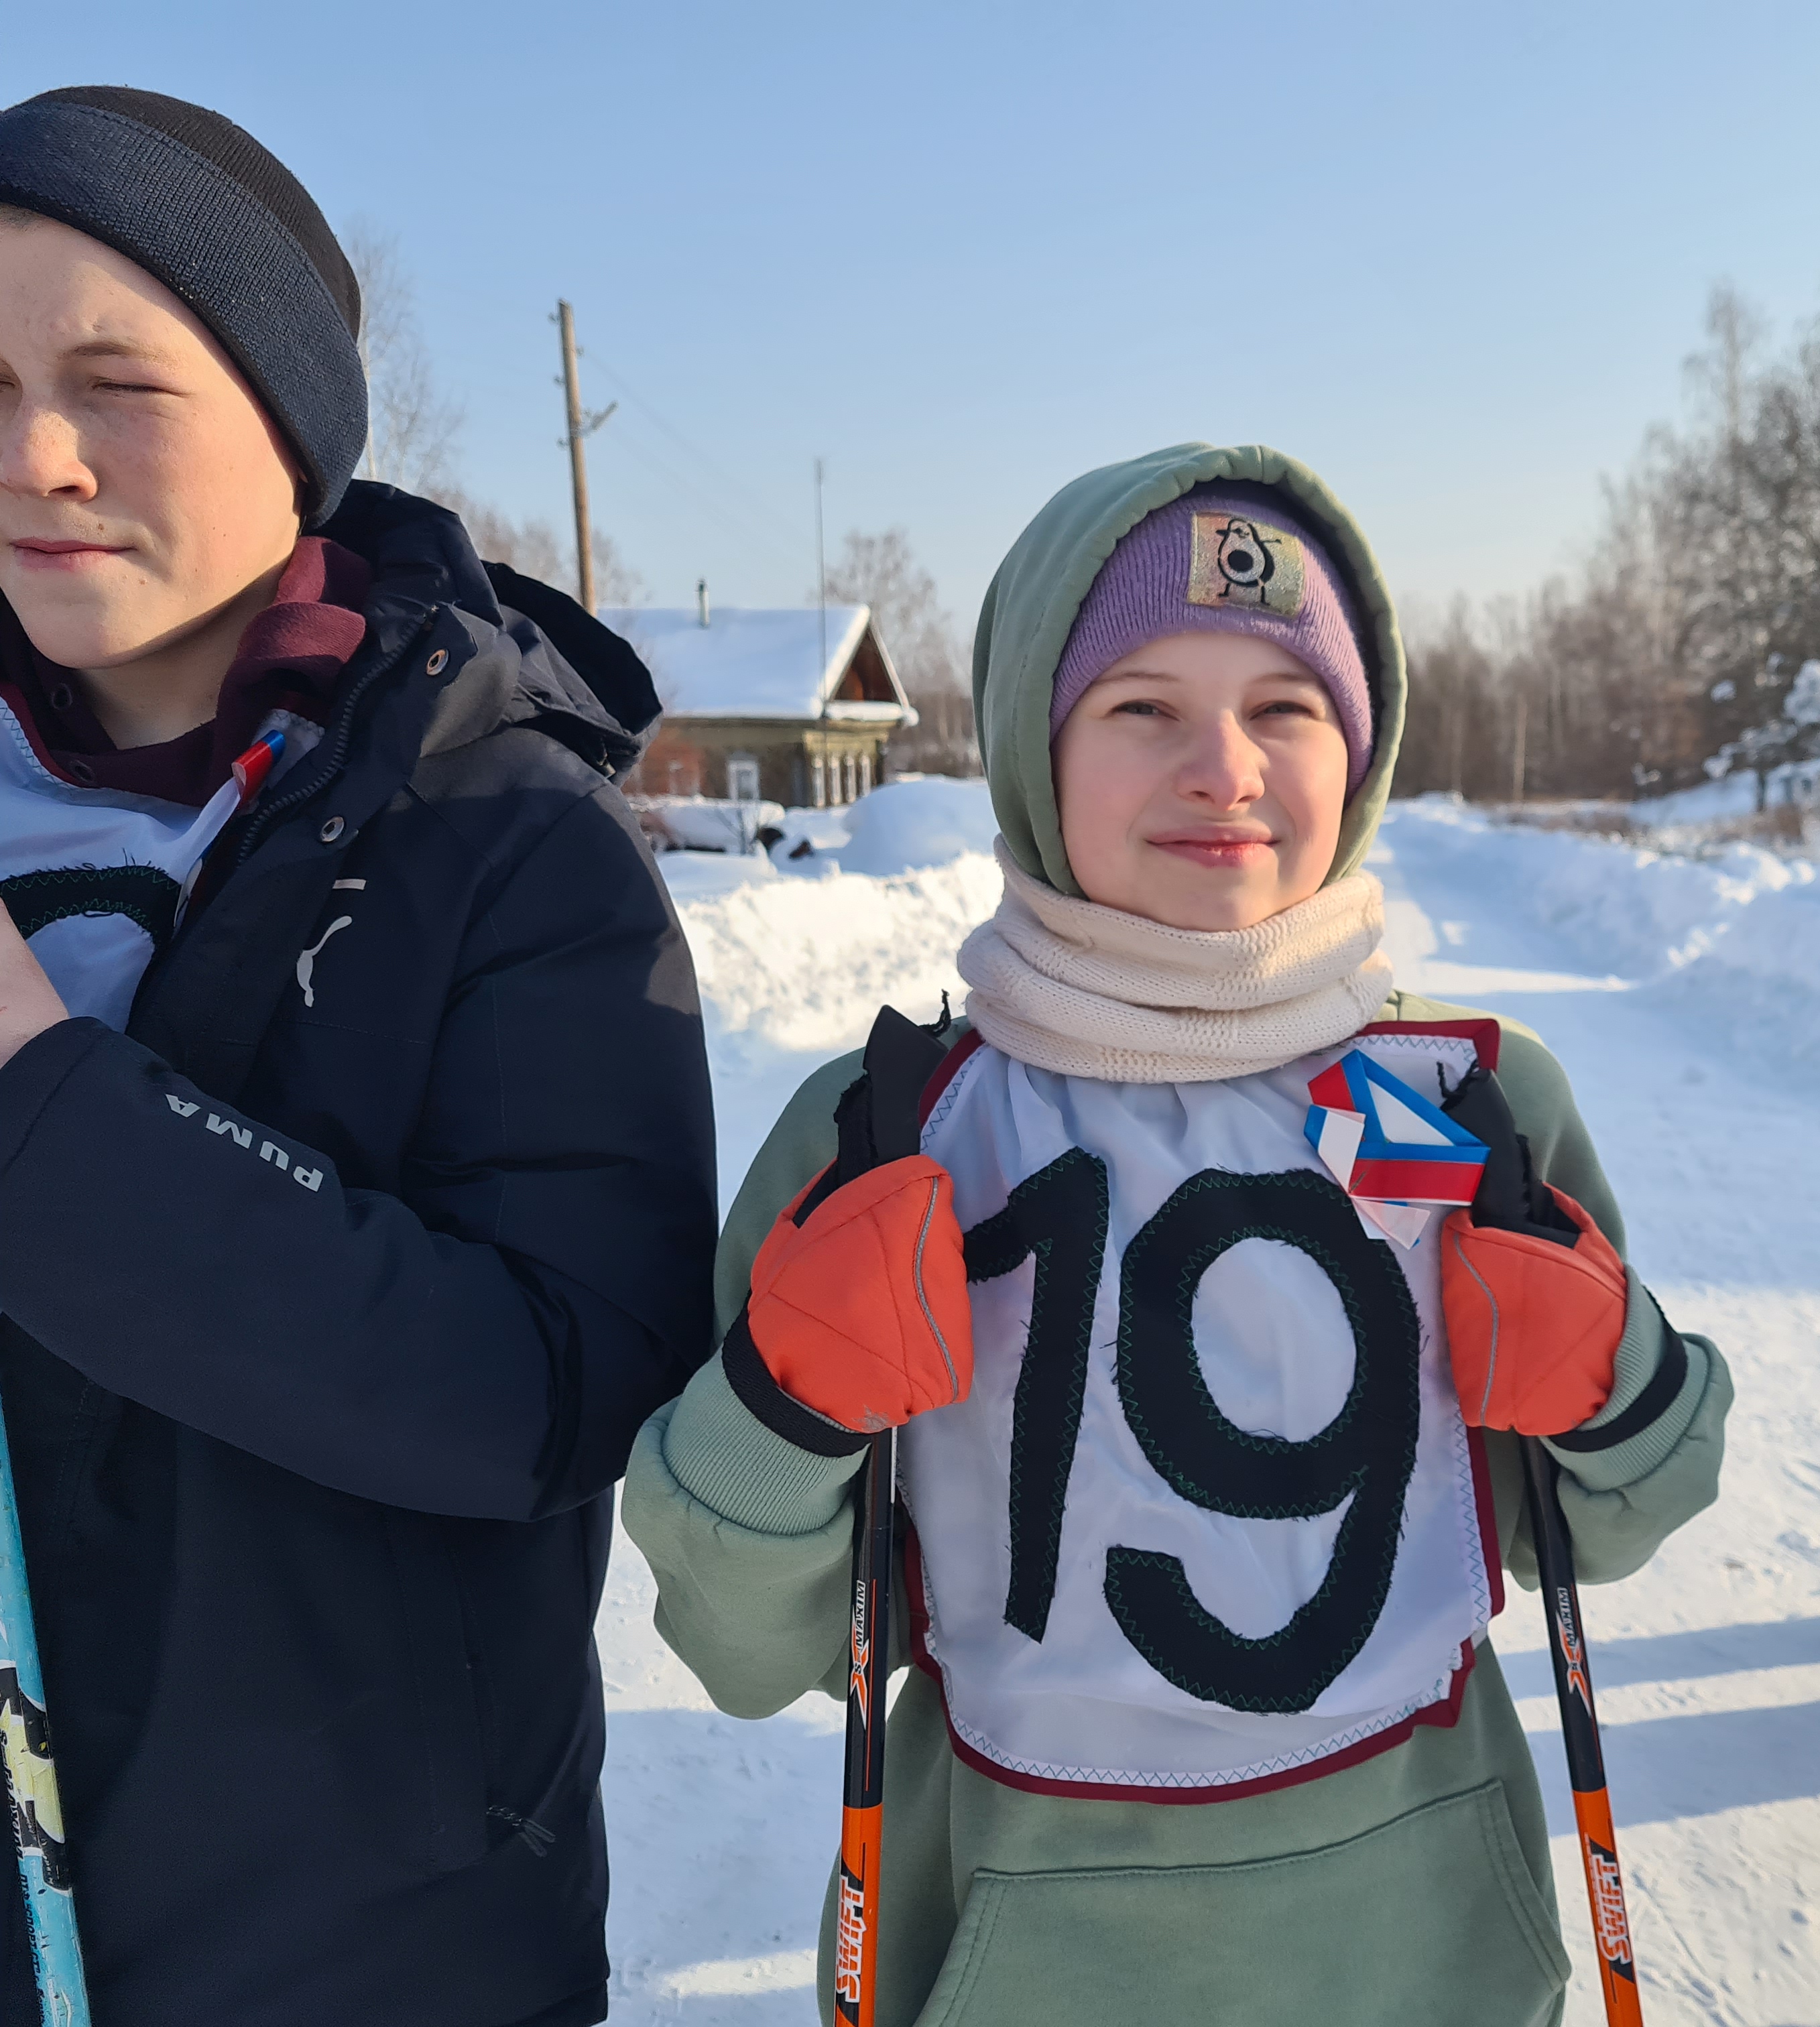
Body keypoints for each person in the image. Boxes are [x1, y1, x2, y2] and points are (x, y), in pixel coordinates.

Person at [621, 444, 1732, 2026]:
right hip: (1030, 1946)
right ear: (1030, 749)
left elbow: (1616, 1519)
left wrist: (1616, 1383)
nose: (1225, 767)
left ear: (1360, 753)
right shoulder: (899, 1128)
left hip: (1427, 1951)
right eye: (1142, 708)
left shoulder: (1452, 1109)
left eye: (1287, 710)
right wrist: (782, 1414)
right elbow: (750, 1647)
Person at [0, 88, 715, 2026]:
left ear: (293, 424)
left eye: (115, 380)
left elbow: (558, 1389)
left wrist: (37, 1107)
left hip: (366, 1944)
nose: (37, 457)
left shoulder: (501, 838)